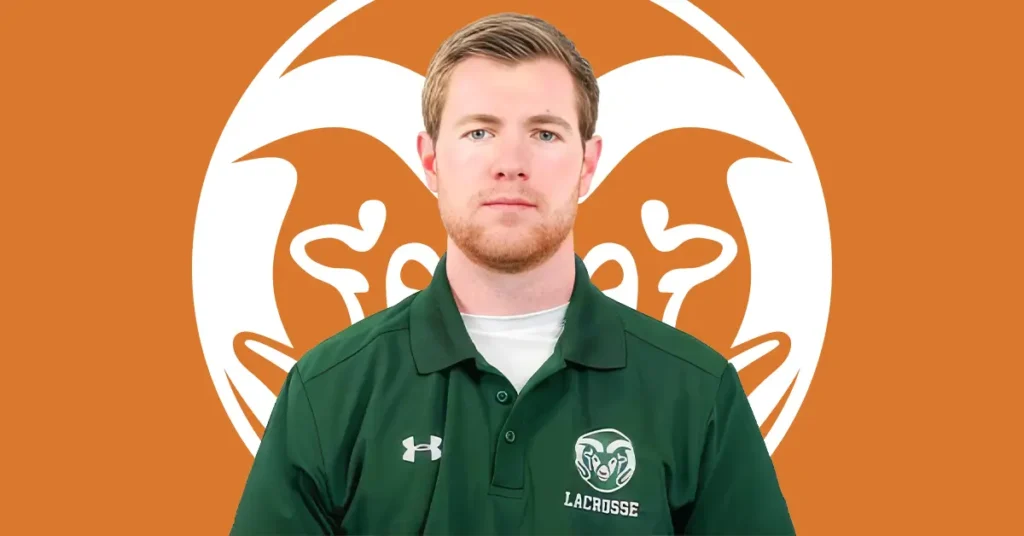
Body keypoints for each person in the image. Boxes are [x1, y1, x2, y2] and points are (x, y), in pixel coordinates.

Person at [230, 12, 795, 535]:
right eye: (479, 132)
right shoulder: (328, 391)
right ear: (430, 160)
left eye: (545, 133)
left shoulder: (697, 392)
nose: (510, 163)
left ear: (588, 163)